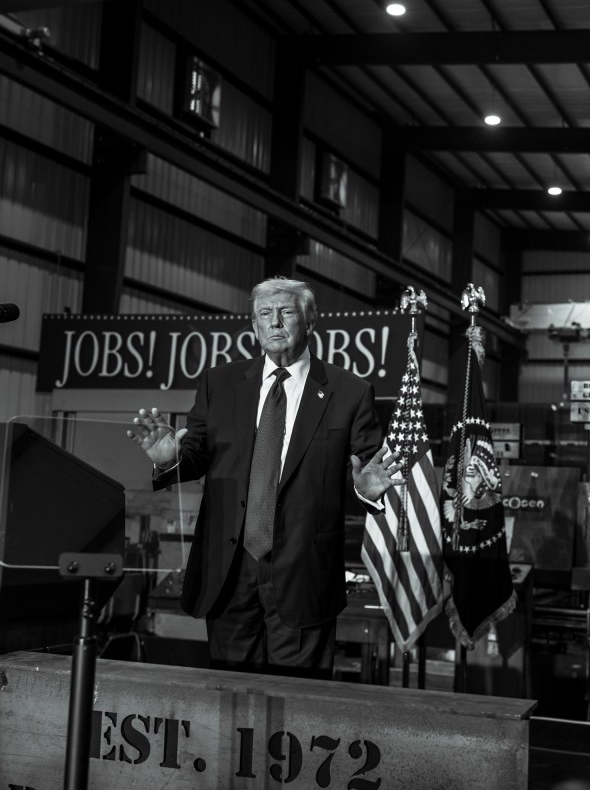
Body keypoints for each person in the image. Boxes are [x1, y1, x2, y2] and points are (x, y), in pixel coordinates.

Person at [127, 277, 404, 678]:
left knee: (301, 703)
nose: (275, 322)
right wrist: (170, 461)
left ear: (310, 322)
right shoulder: (219, 383)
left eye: (286, 312)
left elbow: (361, 470)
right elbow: (197, 454)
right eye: (264, 314)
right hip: (228, 572)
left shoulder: (350, 391)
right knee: (230, 699)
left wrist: (363, 491)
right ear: (254, 327)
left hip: (303, 574)